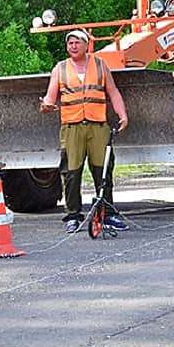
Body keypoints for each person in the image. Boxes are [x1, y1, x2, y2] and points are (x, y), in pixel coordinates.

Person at [40, 29, 129, 234]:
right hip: (72, 127)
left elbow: (113, 92)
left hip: (98, 126)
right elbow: (50, 98)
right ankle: (73, 215)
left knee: (103, 170)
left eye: (77, 42)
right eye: (70, 43)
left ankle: (107, 213)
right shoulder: (60, 69)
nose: (73, 46)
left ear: (86, 45)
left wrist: (122, 115)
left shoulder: (99, 65)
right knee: (71, 172)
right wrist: (45, 106)